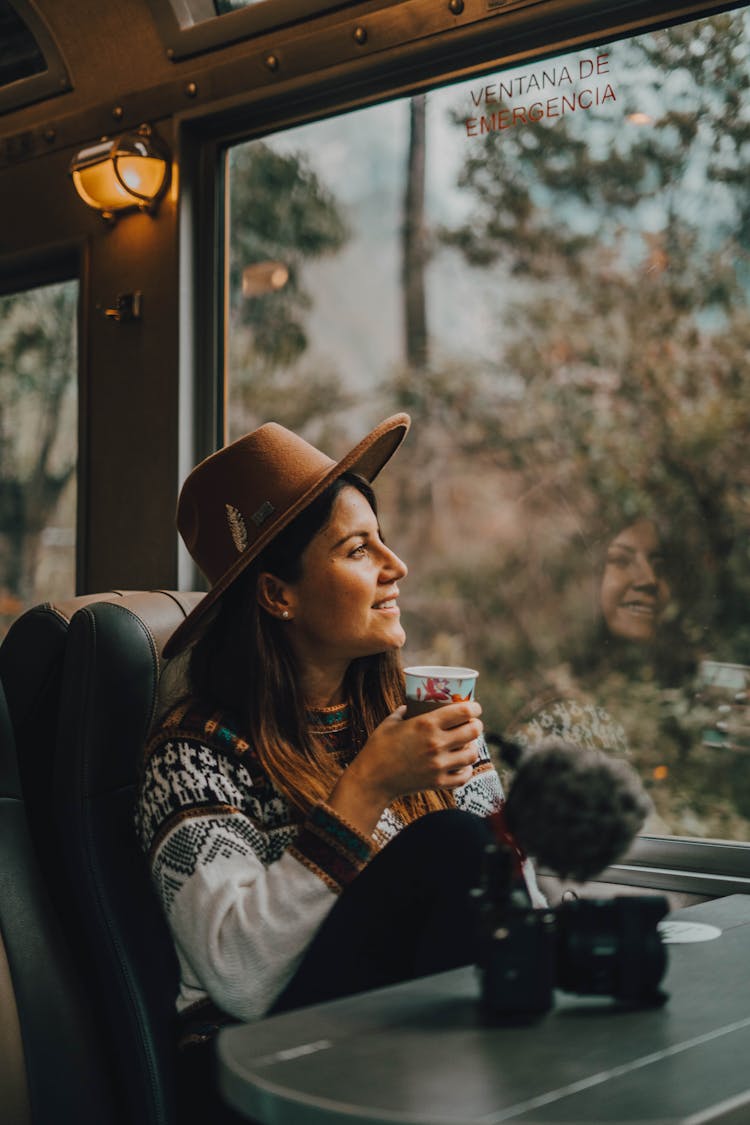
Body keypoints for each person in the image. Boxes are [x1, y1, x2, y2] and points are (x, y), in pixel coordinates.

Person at [135, 413, 546, 1121]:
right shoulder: (192, 756)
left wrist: (479, 800)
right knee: (447, 847)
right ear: (276, 594)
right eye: (359, 549)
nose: (397, 567)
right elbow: (238, 977)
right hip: (251, 1073)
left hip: (402, 1050)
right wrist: (369, 788)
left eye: (383, 540)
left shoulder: (408, 716)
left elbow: (502, 913)